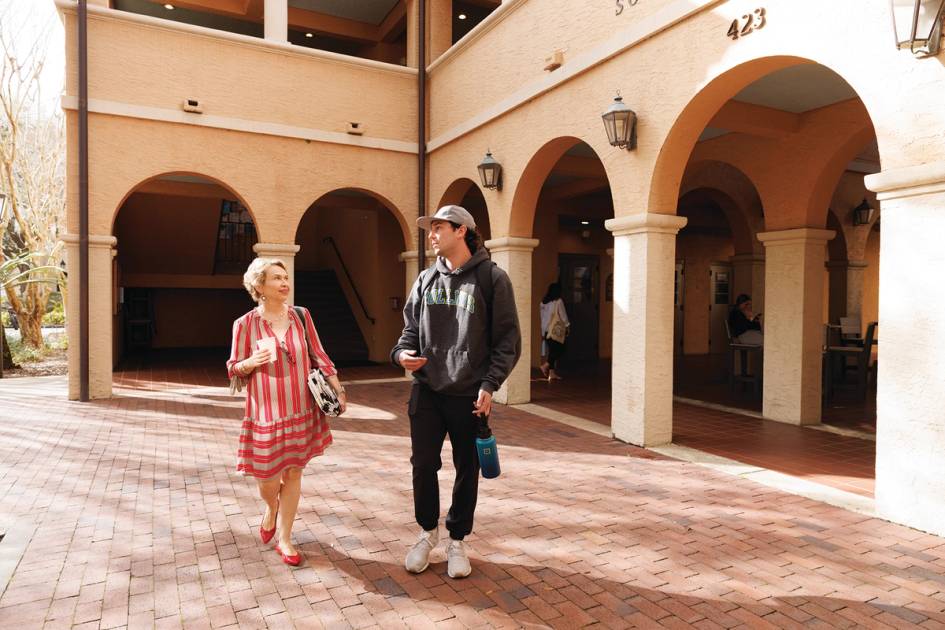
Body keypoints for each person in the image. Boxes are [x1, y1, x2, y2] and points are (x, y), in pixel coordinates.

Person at [391, 204, 521, 579]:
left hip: (469, 395)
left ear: (462, 230)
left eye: (438, 228)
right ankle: (426, 534)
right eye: (430, 229)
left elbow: (508, 340)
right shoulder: (425, 279)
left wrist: (490, 383)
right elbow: (409, 332)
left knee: (468, 469)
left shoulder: (492, 279)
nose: (431, 234)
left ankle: (457, 541)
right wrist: (402, 354)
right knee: (423, 466)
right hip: (427, 391)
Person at [227, 258, 347, 567]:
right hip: (265, 412)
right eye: (276, 278)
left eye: (285, 277)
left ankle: (286, 538)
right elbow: (233, 368)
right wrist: (251, 361)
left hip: (300, 408)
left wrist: (339, 389)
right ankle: (270, 507)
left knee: (294, 471)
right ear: (260, 286)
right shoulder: (245, 324)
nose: (284, 283)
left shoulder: (301, 316)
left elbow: (319, 355)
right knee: (268, 479)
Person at [539, 282, 569, 381]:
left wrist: (543, 330)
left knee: (552, 350)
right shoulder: (558, 301)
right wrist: (567, 325)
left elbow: (542, 316)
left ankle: (551, 373)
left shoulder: (543, 302)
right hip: (555, 330)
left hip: (546, 330)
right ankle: (546, 365)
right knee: (561, 349)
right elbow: (563, 315)